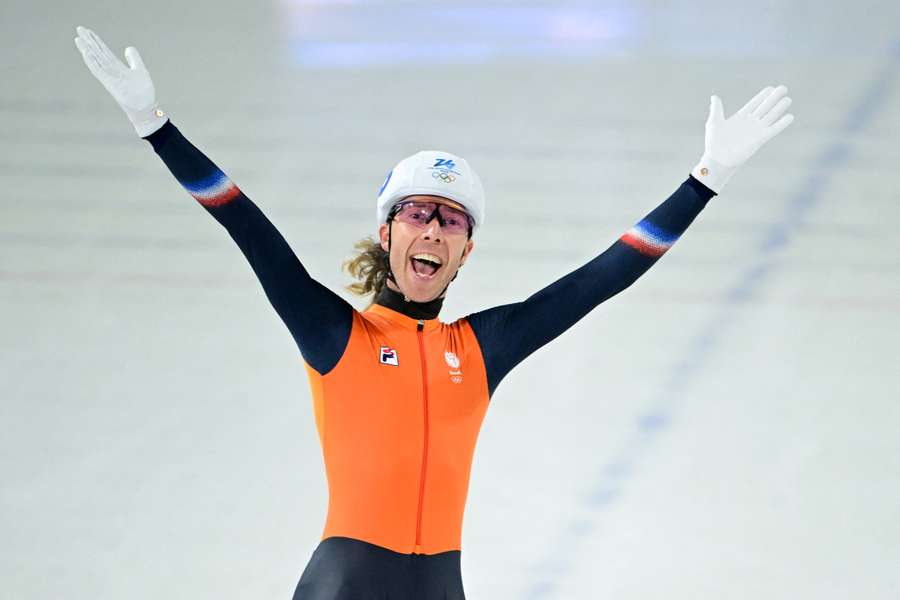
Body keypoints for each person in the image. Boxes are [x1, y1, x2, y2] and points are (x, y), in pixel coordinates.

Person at [74, 25, 794, 600]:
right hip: (346, 583)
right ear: (386, 233)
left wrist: (707, 179)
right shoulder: (336, 334)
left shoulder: (486, 346)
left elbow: (605, 275)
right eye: (417, 213)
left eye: (451, 222)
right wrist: (154, 125)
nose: (433, 230)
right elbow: (243, 221)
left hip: (440, 584)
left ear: (465, 252)